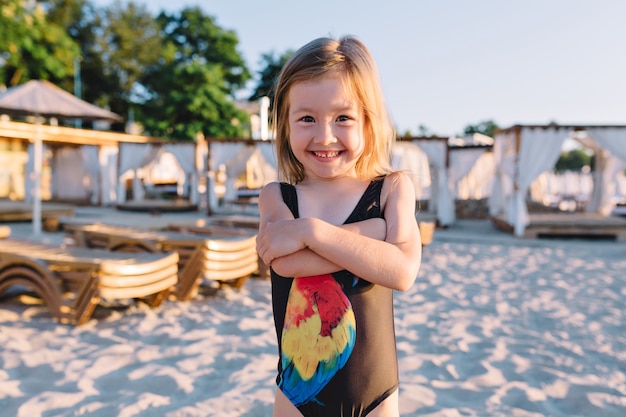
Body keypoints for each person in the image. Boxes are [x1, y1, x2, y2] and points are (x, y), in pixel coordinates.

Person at [256, 35, 422, 417]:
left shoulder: (393, 188)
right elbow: (287, 264)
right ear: (285, 123)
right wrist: (376, 235)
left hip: (376, 394)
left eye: (342, 117)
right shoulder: (277, 197)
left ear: (369, 120)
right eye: (307, 118)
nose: (324, 136)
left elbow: (400, 270)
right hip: (297, 396)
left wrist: (310, 232)